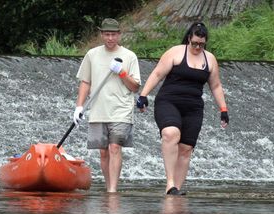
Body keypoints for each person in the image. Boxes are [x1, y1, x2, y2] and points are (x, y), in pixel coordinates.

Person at [135, 22, 229, 195]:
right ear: (188, 39)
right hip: (168, 101)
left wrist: (223, 109)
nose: (197, 47)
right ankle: (169, 183)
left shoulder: (210, 59)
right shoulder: (175, 52)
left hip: (193, 107)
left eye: (201, 44)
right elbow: (157, 74)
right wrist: (143, 96)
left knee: (186, 149)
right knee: (171, 134)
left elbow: (215, 86)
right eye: (194, 43)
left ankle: (176, 189)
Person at [73, 18, 142, 193]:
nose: (110, 38)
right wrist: (79, 107)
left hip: (121, 109)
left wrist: (122, 72)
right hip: (98, 109)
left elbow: (135, 86)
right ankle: (108, 185)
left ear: (119, 35)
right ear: (102, 35)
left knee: (115, 147)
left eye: (113, 34)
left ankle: (112, 190)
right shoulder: (92, 54)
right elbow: (85, 82)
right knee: (103, 152)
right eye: (107, 34)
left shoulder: (129, 56)